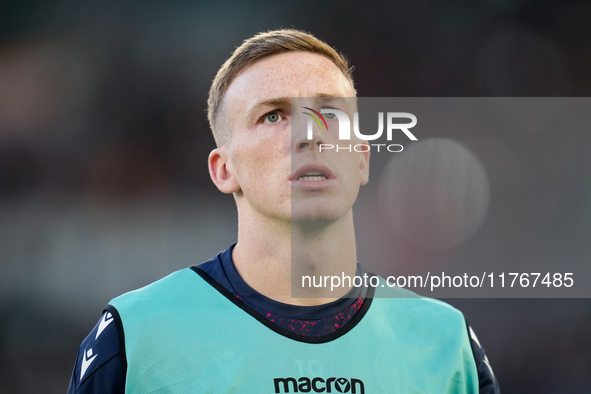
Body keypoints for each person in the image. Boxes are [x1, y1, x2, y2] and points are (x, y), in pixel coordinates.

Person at [67, 29, 500, 393]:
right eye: (273, 116)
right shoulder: (137, 337)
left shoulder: (446, 343)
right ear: (223, 170)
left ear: (362, 159)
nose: (310, 135)